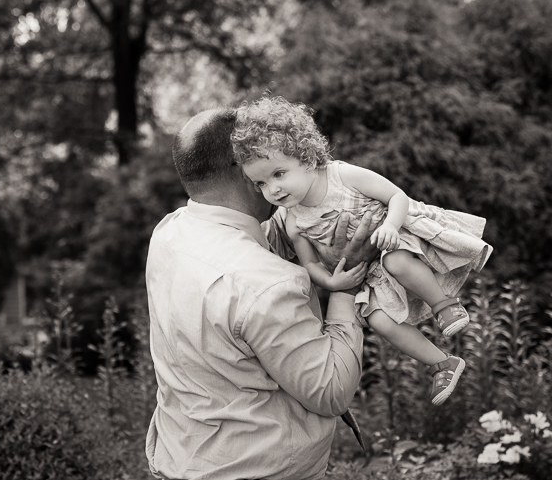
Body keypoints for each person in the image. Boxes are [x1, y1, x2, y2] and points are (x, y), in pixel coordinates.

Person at [146, 107, 378, 480]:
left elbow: (247, 250)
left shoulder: (170, 233)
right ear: (243, 167)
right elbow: (332, 390)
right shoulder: (268, 285)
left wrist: (314, 218)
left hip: (182, 460)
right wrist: (346, 283)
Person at [232, 96, 493, 406]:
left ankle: (445, 305)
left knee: (395, 261)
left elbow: (397, 197)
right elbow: (310, 264)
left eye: (278, 174)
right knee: (378, 321)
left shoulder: (341, 176)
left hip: (396, 239)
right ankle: (442, 363)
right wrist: (330, 283)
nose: (272, 190)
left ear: (306, 158)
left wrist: (391, 228)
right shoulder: (292, 219)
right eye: (260, 183)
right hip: (369, 272)